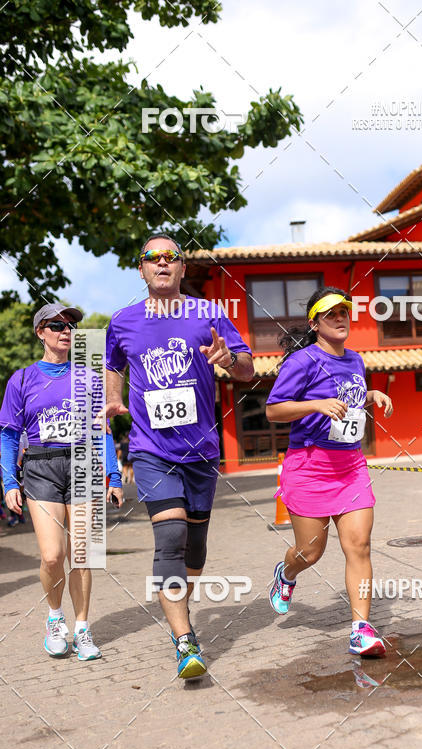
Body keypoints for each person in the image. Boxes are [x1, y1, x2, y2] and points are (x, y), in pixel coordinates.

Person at [103, 233, 254, 680]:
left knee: (195, 546)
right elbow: (112, 364)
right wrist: (113, 398)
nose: (162, 263)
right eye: (153, 257)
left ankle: (180, 606)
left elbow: (248, 369)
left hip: (201, 450)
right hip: (151, 449)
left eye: (171, 256)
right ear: (142, 269)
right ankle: (185, 640)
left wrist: (229, 360)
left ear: (183, 268)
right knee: (170, 537)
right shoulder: (123, 321)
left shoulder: (208, 314)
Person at [266, 287, 393, 656]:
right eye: (330, 313)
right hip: (309, 467)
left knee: (359, 546)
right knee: (310, 552)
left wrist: (371, 396)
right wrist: (316, 405)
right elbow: (274, 410)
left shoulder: (355, 360)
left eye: (344, 312)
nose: (340, 318)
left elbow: (347, 399)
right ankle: (286, 574)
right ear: (315, 323)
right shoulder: (302, 361)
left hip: (350, 466)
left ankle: (361, 630)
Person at [0, 303, 123, 659]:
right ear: (40, 332)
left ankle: (82, 628)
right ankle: (55, 618)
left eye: (70, 326)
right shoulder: (22, 379)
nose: (66, 331)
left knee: (82, 553)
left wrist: (114, 475)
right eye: (56, 325)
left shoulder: (89, 378)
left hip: (83, 464)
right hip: (41, 466)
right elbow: (8, 434)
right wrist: (9, 482)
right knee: (52, 555)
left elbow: (102, 430)